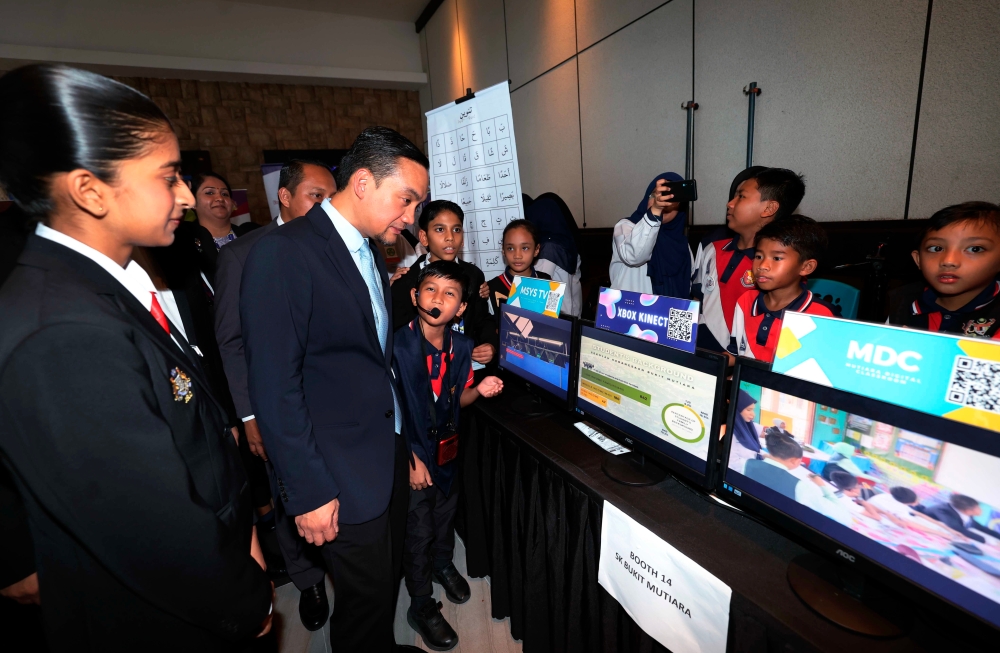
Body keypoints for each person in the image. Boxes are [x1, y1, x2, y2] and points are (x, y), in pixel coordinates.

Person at [0, 64, 272, 650]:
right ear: (89, 190)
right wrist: (248, 601)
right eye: (169, 177)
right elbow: (152, 526)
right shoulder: (64, 333)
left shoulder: (112, 280)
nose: (184, 196)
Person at [241, 126, 428, 653]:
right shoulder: (284, 252)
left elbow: (372, 358)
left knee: (380, 586)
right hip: (336, 473)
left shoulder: (369, 249)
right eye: (406, 199)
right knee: (363, 599)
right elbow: (275, 386)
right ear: (364, 183)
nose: (411, 217)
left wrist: (407, 444)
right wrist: (309, 491)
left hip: (384, 451)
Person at [214, 159, 337, 631]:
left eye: (331, 196)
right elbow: (231, 340)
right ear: (285, 197)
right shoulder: (244, 255)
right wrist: (249, 416)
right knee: (289, 495)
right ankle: (307, 582)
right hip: (274, 406)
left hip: (329, 401)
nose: (325, 206)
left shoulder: (339, 247)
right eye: (315, 196)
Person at [395, 261, 504, 650]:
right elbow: (391, 411)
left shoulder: (461, 348)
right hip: (414, 456)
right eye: (430, 290)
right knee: (418, 529)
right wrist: (411, 459)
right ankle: (421, 602)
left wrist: (483, 386)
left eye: (449, 294)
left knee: (444, 515)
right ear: (414, 296)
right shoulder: (397, 346)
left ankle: (443, 563)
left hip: (447, 452)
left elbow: (460, 398)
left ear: (460, 309)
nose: (437, 299)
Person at [692, 167, 805, 351]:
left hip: (746, 364)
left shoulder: (779, 267)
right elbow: (698, 300)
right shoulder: (712, 249)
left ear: (769, 208)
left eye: (741, 197)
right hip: (704, 356)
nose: (730, 203)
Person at [390, 200, 495, 369]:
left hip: (465, 369)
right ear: (424, 237)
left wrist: (490, 345)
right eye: (440, 229)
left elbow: (482, 320)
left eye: (456, 229)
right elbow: (397, 334)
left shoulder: (473, 275)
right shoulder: (406, 282)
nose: (450, 237)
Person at [729, 215, 836, 363]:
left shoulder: (821, 316)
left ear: (806, 267)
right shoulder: (745, 301)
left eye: (777, 258)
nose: (762, 266)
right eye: (759, 256)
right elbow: (736, 353)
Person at [888, 202, 1000, 338]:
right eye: (936, 248)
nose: (948, 261)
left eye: (974, 249)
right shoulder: (902, 303)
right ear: (918, 260)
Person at [610, 172, 692, 298]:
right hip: (629, 313)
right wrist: (655, 212)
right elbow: (634, 256)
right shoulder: (626, 227)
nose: (664, 203)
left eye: (671, 199)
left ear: (680, 209)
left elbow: (688, 285)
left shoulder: (683, 245)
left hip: (668, 315)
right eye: (657, 195)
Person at [526, 193, 583, 317]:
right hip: (572, 313)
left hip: (558, 317)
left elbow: (535, 289)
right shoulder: (566, 242)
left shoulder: (548, 248)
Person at [484, 219, 551, 317]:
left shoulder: (547, 282)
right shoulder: (490, 289)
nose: (517, 255)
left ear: (536, 250)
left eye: (525, 248)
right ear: (503, 250)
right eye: (510, 248)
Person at [190, 170, 257, 250]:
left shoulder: (252, 235)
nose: (220, 198)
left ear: (233, 203)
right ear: (192, 201)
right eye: (210, 193)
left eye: (224, 194)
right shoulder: (183, 242)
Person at [918, 494, 999, 544]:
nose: (981, 510)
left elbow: (979, 527)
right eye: (977, 508)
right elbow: (959, 530)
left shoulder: (964, 512)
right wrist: (990, 542)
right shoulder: (943, 511)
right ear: (968, 511)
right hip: (926, 530)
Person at [728, 389, 762, 473]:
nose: (753, 414)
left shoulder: (748, 426)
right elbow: (732, 463)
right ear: (738, 409)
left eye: (753, 410)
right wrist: (758, 466)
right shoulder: (731, 433)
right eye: (749, 410)